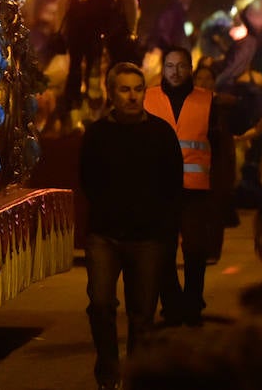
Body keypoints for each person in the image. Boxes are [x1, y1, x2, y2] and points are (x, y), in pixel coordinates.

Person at [79, 61, 183, 390]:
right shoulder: (98, 134)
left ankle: (136, 377)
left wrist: (166, 234)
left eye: (138, 89)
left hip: (148, 237)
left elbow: (173, 184)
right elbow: (87, 179)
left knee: (142, 316)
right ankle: (108, 369)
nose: (133, 96)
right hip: (105, 236)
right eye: (125, 89)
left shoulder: (161, 133)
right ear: (112, 93)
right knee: (100, 304)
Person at [145, 48, 223, 327]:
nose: (175, 72)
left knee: (195, 249)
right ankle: (172, 302)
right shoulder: (148, 97)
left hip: (195, 189)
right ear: (163, 69)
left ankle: (192, 301)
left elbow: (219, 145)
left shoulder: (207, 100)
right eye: (169, 66)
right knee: (163, 250)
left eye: (180, 66)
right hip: (159, 189)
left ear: (190, 68)